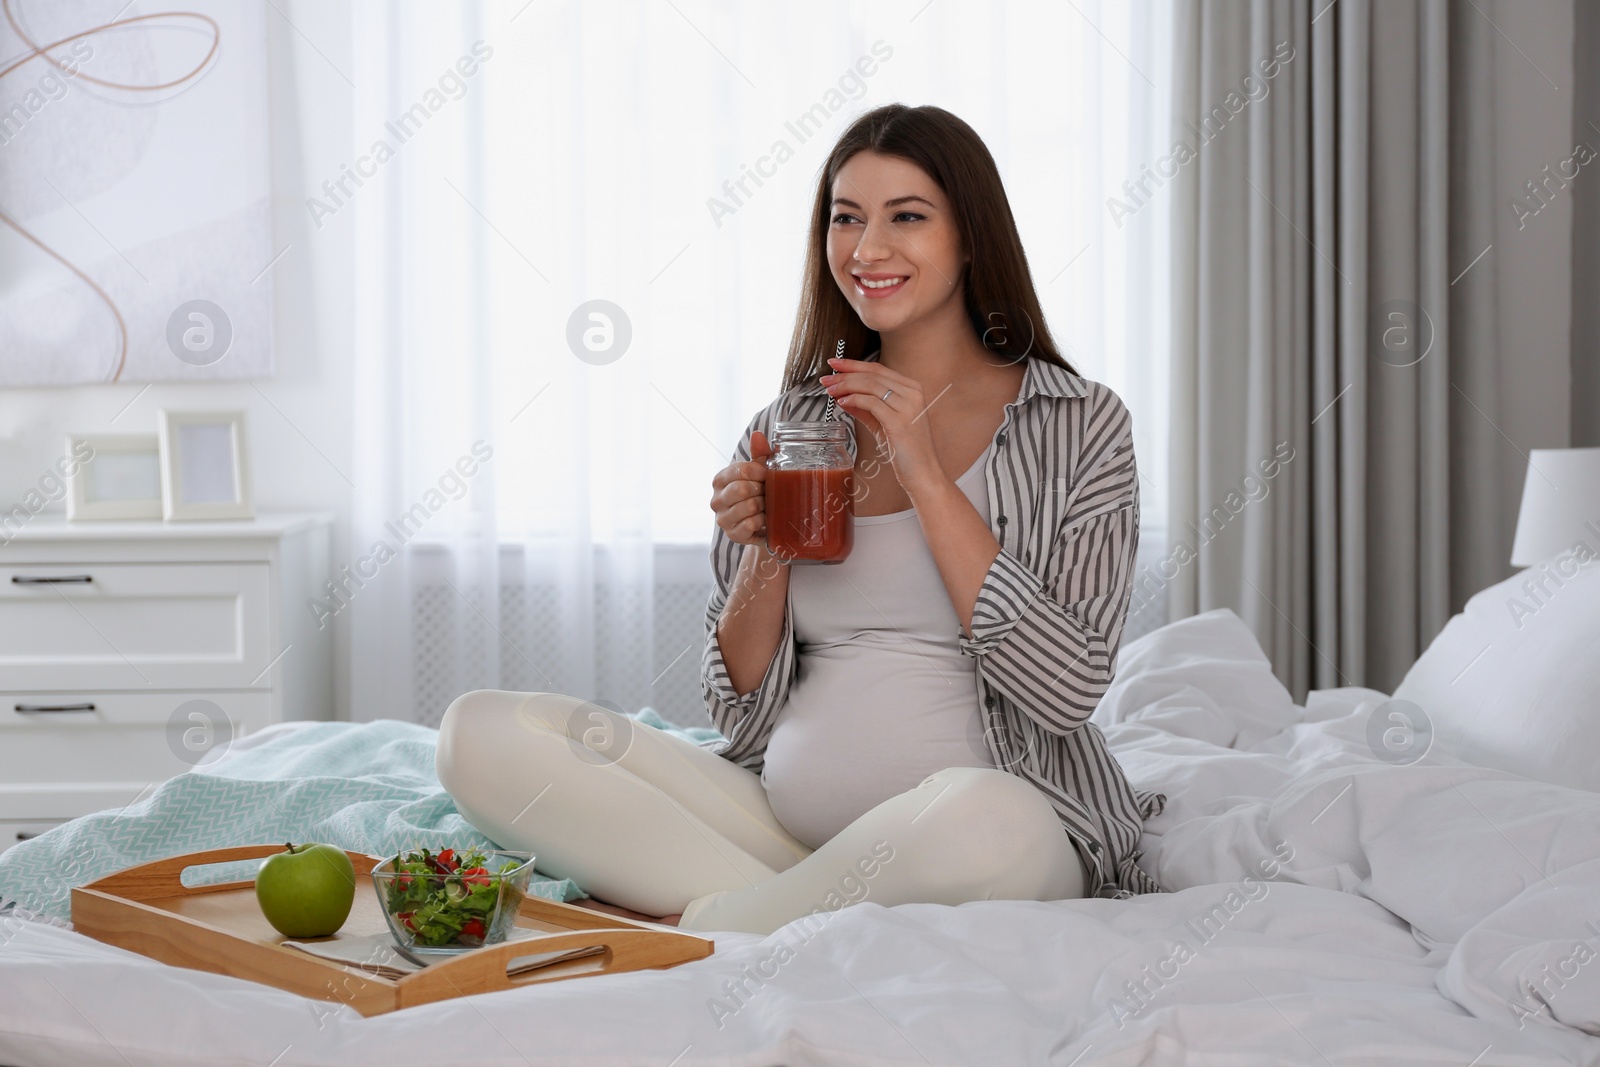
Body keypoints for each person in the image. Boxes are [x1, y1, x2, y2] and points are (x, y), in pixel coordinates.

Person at [437, 103, 1165, 937]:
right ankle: (798, 900)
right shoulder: (792, 422)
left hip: (995, 824)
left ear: (971, 238)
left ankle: (714, 918)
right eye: (845, 218)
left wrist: (924, 470)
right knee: (481, 736)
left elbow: (1065, 690)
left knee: (988, 820)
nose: (867, 248)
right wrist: (764, 553)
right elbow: (740, 714)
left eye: (907, 218)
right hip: (785, 829)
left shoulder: (1079, 422)